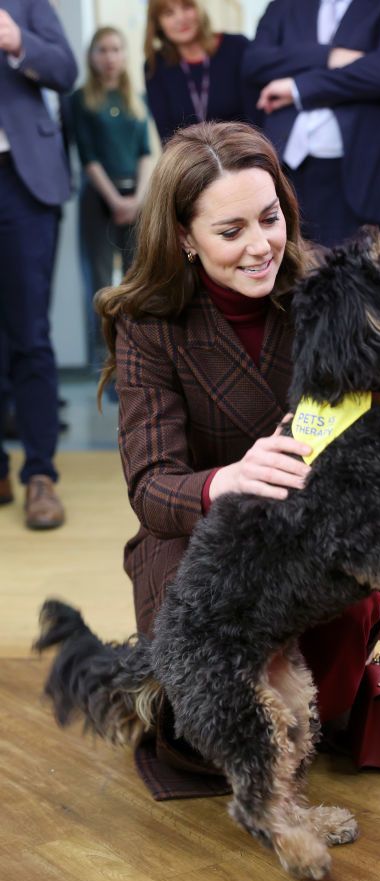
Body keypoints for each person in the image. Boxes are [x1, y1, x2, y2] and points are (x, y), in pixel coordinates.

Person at [96, 120, 380, 794]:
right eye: (230, 231)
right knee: (213, 736)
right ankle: (159, 686)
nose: (261, 245)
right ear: (184, 238)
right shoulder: (147, 324)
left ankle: (360, 655)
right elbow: (151, 488)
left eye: (269, 219)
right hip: (194, 541)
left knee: (325, 705)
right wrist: (227, 480)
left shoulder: (326, 286)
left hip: (311, 537)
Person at [241, 0, 380, 250]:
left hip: (368, 172)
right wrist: (329, 56)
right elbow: (255, 62)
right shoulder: (284, 5)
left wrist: (298, 87)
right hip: (288, 172)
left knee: (374, 280)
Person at [0, 0, 77, 528]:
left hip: (19, 181)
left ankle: (40, 475)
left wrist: (16, 40)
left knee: (29, 333)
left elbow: (66, 71)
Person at [70, 27, 152, 372]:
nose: (110, 57)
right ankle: (106, 361)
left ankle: (139, 357)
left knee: (140, 278)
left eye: (116, 49)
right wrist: (116, 201)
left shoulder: (135, 97)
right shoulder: (80, 100)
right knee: (102, 280)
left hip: (137, 195)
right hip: (100, 198)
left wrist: (137, 198)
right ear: (92, 56)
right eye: (102, 50)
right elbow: (88, 158)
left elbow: (146, 152)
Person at [144, 0, 255, 145]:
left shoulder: (238, 47)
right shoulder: (155, 66)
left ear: (199, 9)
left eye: (187, 7)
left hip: (244, 154)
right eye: (168, 13)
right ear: (158, 23)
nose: (181, 18)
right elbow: (167, 138)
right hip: (192, 164)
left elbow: (257, 120)